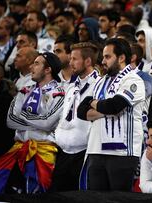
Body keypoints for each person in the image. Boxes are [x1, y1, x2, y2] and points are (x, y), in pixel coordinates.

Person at [77, 38, 145, 191]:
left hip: (122, 153)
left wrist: (94, 103)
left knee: (118, 199)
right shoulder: (101, 82)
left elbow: (114, 106)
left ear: (121, 58)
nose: (102, 61)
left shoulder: (133, 80)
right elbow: (81, 111)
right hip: (96, 149)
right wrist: (104, 109)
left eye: (107, 57)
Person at [0, 52, 64, 194]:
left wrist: (24, 115)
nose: (32, 66)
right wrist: (39, 121)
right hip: (19, 148)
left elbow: (49, 124)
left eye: (37, 63)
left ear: (48, 69)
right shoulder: (25, 90)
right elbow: (11, 121)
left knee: (36, 194)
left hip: (43, 151)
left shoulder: (60, 93)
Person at [50, 42, 100, 192]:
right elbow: (65, 115)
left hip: (84, 154)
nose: (70, 62)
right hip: (63, 152)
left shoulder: (99, 85)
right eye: (70, 58)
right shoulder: (72, 86)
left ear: (88, 61)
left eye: (74, 59)